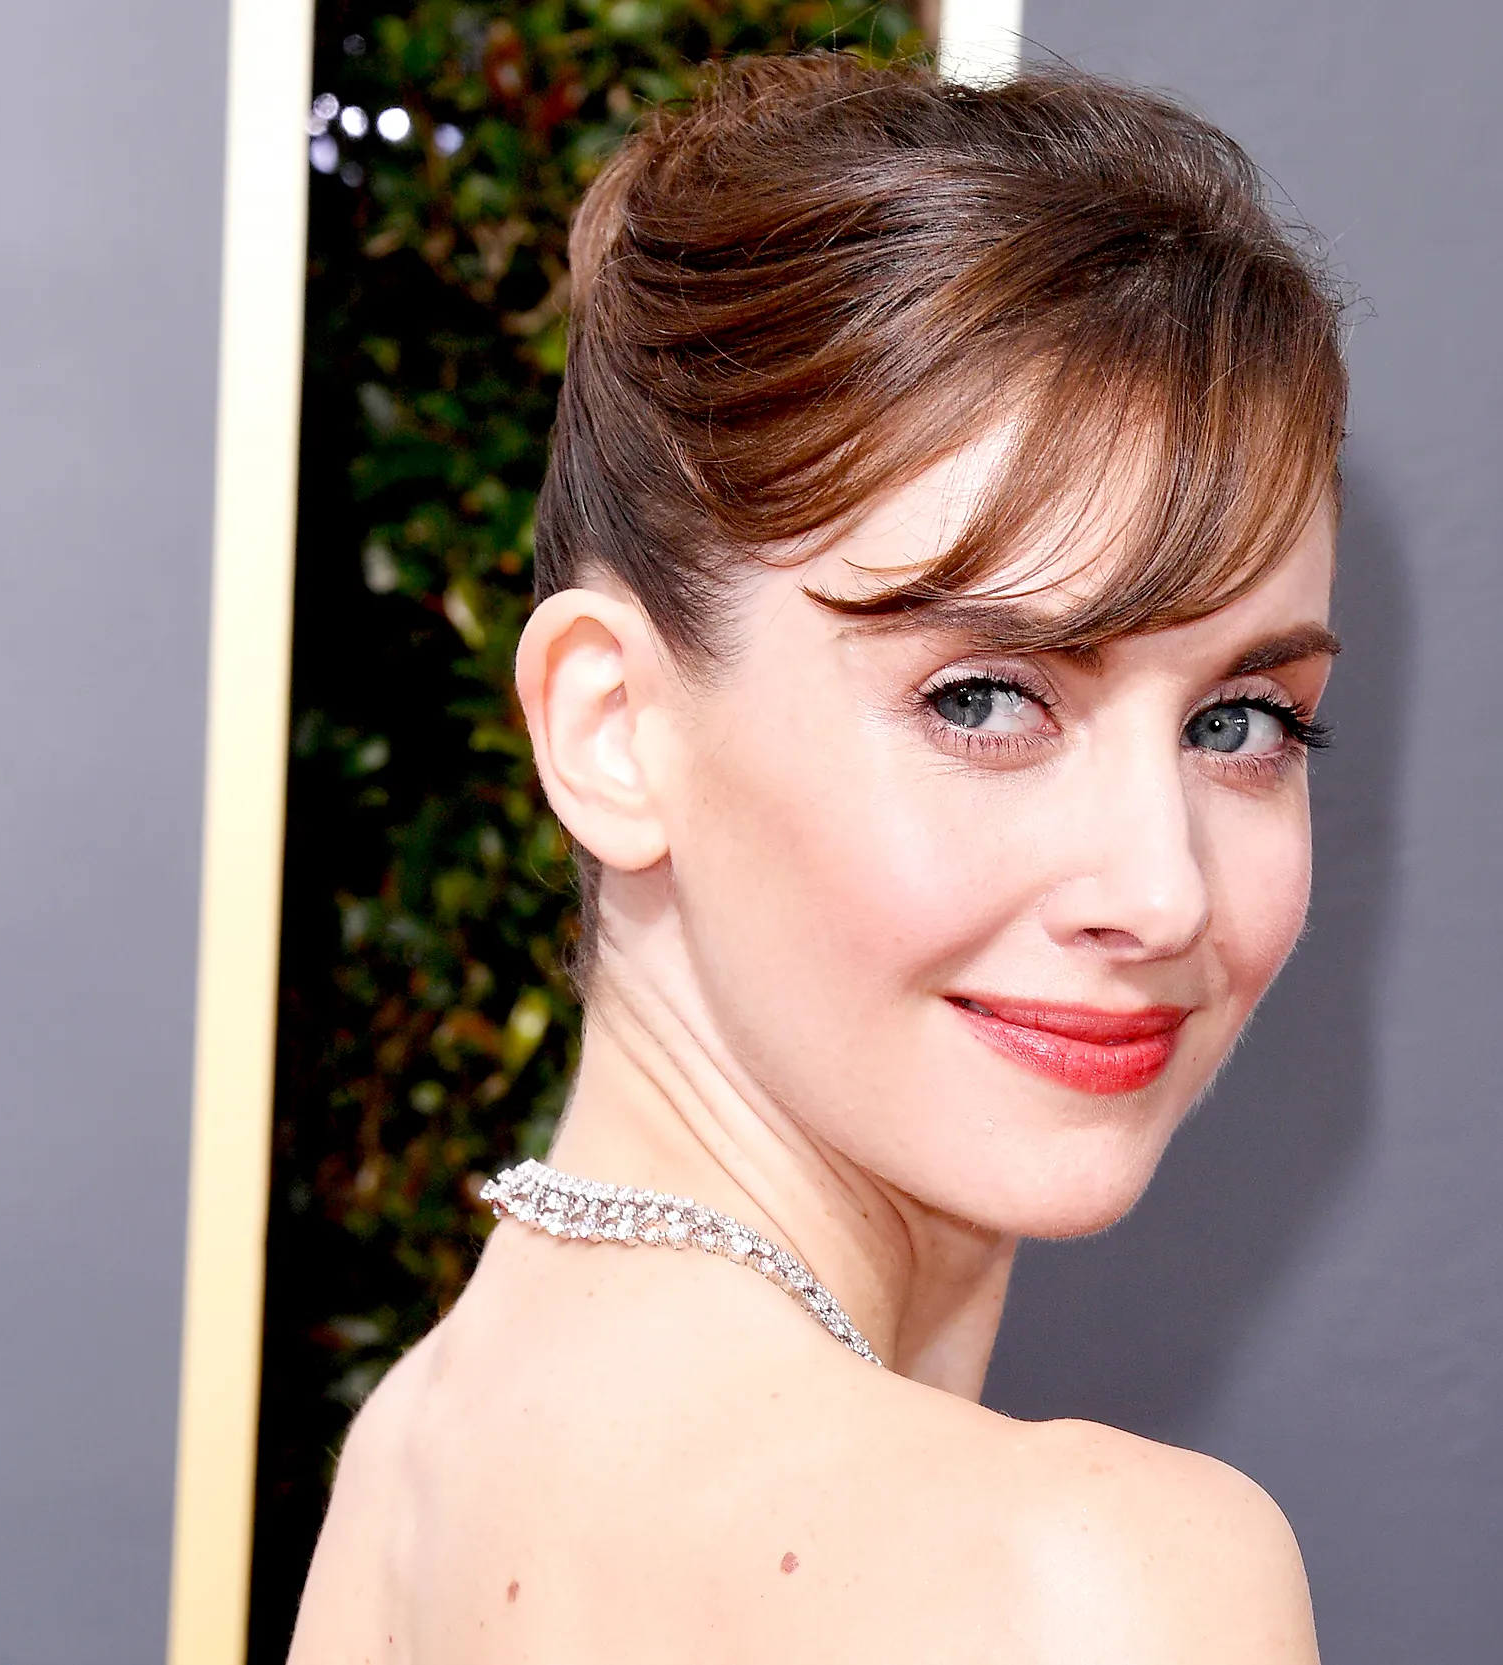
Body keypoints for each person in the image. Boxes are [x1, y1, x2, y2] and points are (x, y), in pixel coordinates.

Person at [289, 48, 1346, 1664]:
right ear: (614, 729)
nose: (1163, 890)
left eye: (1241, 721)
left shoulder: (419, 1457)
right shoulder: (1089, 1584)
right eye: (985, 699)